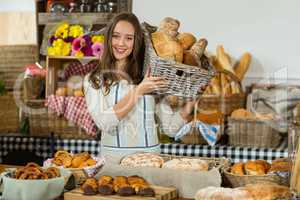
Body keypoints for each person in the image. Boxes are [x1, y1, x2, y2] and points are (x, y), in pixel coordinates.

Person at [84, 12, 195, 162]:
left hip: (150, 161)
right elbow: (105, 122)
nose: (121, 43)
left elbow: (170, 128)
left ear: (136, 42)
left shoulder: (149, 76)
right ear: (108, 38)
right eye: (116, 36)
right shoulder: (94, 80)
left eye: (129, 38)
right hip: (113, 163)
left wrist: (192, 102)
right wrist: (139, 90)